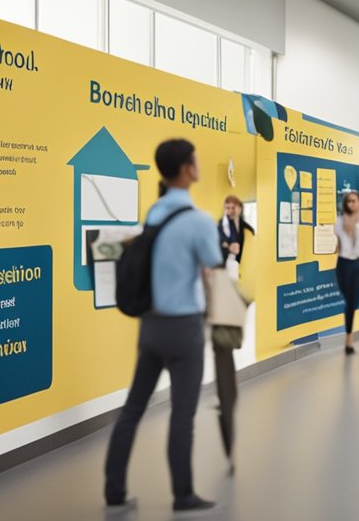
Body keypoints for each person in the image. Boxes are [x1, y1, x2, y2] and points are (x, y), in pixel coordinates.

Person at [105, 139, 221, 513]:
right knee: (182, 414)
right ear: (188, 169)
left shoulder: (155, 212)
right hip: (184, 327)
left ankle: (114, 490)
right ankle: (183, 496)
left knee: (133, 406)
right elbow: (211, 272)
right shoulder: (199, 221)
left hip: (150, 326)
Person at [211, 195, 252, 472]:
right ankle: (228, 453)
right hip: (218, 297)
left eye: (233, 206)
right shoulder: (216, 229)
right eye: (226, 206)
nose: (230, 209)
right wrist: (227, 247)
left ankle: (229, 454)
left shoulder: (247, 230)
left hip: (228, 296)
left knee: (227, 382)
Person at [335, 191, 359, 356]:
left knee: (353, 300)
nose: (351, 204)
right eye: (348, 201)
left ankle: (349, 339)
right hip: (343, 263)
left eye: (354, 201)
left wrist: (355, 228)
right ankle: (349, 336)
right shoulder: (338, 221)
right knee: (348, 299)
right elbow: (338, 241)